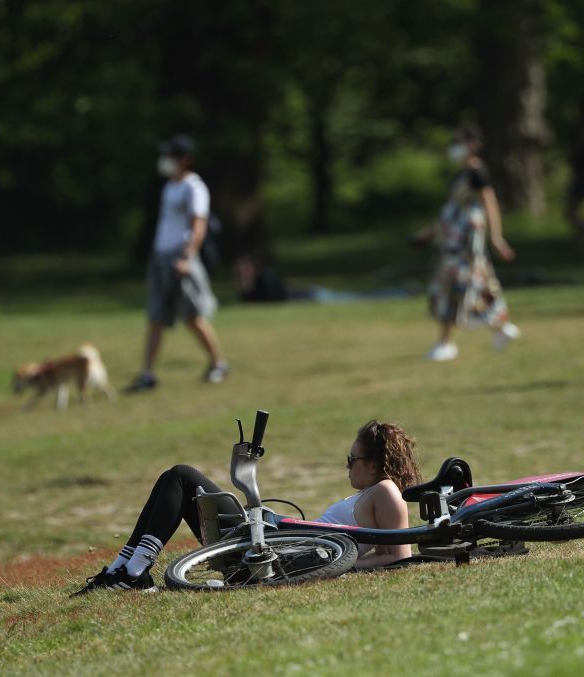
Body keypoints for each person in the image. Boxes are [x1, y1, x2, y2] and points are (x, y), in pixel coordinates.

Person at [72, 420, 423, 594]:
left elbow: (399, 556)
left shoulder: (386, 491)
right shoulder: (370, 493)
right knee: (175, 478)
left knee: (181, 477)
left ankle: (132, 573)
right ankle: (125, 567)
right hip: (278, 547)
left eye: (352, 459)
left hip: (282, 557)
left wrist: (338, 567)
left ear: (375, 465)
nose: (347, 465)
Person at [126, 134, 229, 392]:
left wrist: (187, 257)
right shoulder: (169, 186)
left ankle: (218, 363)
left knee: (192, 317)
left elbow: (199, 226)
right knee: (155, 317)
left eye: (171, 156)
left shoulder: (193, 187)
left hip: (179, 260)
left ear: (185, 160)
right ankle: (147, 374)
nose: (166, 160)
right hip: (160, 259)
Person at [411, 123, 520, 361]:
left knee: (454, 285)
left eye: (458, 143)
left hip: (464, 242)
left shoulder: (476, 172)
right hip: (454, 237)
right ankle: (501, 327)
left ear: (473, 145)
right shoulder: (462, 174)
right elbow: (450, 210)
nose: (454, 148)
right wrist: (427, 233)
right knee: (477, 284)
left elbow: (489, 202)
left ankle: (446, 343)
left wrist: (496, 237)